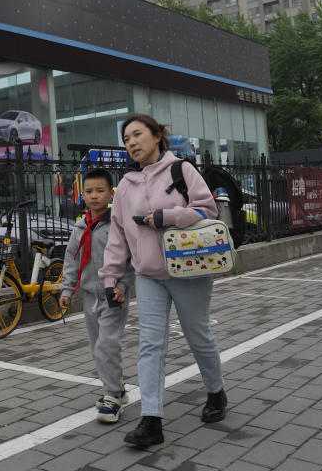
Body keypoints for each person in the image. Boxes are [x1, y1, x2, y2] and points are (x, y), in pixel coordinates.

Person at [99, 114, 225, 447]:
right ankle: (151, 421)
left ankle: (216, 392)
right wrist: (111, 277)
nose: (131, 143)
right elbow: (118, 236)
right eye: (126, 139)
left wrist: (166, 217)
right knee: (150, 345)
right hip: (148, 275)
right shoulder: (125, 185)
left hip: (188, 271)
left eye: (137, 135)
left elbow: (207, 210)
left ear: (157, 136)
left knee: (198, 336)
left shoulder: (181, 170)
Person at [59, 169, 135, 423]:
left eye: (100, 191)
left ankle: (112, 395)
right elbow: (72, 258)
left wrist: (123, 286)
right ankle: (118, 389)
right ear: (82, 195)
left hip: (113, 295)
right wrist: (67, 289)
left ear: (111, 194)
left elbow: (130, 259)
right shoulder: (80, 226)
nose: (94, 196)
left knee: (107, 345)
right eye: (89, 191)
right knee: (97, 346)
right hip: (89, 296)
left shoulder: (118, 224)